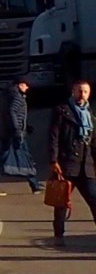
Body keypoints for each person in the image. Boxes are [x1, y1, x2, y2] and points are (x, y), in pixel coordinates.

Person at [53, 82, 94, 249]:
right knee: (61, 202)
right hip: (67, 164)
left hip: (87, 165)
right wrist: (53, 161)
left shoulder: (90, 114)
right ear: (73, 91)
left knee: (94, 198)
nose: (82, 95)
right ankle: (59, 235)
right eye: (79, 91)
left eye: (85, 92)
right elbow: (53, 137)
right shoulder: (62, 111)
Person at [0, 82, 34, 191]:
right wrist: (17, 129)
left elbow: (15, 114)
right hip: (14, 133)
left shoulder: (9, 95)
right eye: (25, 85)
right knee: (25, 157)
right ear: (20, 85)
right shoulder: (17, 97)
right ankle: (35, 184)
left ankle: (35, 184)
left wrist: (25, 126)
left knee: (6, 157)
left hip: (9, 131)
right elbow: (12, 112)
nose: (27, 88)